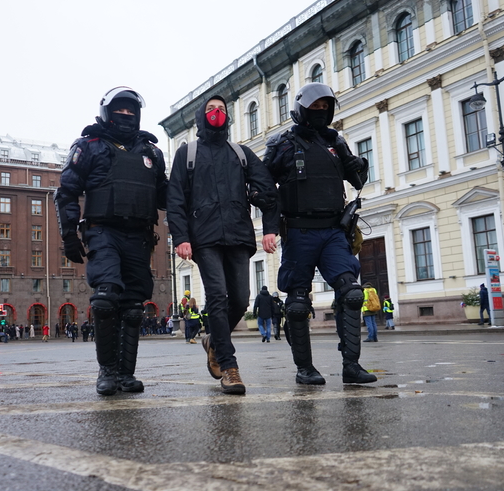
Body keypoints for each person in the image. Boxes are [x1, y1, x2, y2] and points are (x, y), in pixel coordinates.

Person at [55, 86, 168, 396]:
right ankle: (107, 371)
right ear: (108, 111)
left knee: (133, 306)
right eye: (121, 109)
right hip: (103, 231)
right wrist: (68, 235)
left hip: (140, 235)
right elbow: (66, 191)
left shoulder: (152, 153)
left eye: (132, 110)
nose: (127, 115)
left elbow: (166, 195)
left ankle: (126, 374)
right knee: (105, 299)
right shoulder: (89, 146)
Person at [264, 82, 376, 385]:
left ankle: (351, 365)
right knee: (297, 303)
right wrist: (270, 228)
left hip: (333, 231)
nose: (320, 111)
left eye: (325, 107)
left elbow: (357, 179)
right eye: (315, 107)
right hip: (299, 232)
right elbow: (263, 189)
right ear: (301, 109)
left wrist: (354, 160)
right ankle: (305, 368)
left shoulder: (334, 142)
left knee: (352, 293)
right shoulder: (281, 144)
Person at [167, 94, 279, 395]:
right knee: (217, 295)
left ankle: (213, 341)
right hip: (204, 238)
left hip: (239, 235)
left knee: (241, 299)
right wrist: (181, 237)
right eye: (210, 109)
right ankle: (229, 367)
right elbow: (175, 198)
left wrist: (269, 228)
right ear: (200, 117)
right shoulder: (187, 154)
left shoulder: (240, 154)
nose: (216, 113)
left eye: (221, 110)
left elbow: (267, 188)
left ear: (227, 117)